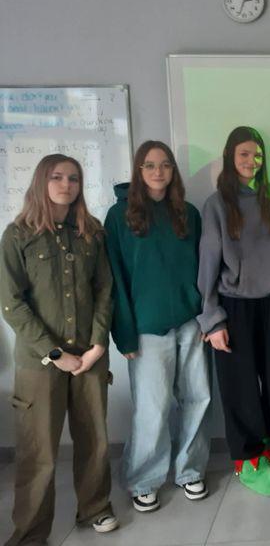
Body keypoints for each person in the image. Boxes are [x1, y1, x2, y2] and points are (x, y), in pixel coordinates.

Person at [1, 154, 119, 545]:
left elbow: (104, 289)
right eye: (57, 177)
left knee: (94, 440)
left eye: (73, 178)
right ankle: (31, 532)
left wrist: (98, 344)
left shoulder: (91, 232)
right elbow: (11, 304)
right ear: (41, 181)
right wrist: (54, 354)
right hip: (40, 364)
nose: (66, 184)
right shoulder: (17, 235)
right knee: (39, 452)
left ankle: (95, 508)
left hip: (89, 358)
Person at [197, 126, 270, 496]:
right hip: (235, 307)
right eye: (244, 154)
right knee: (240, 386)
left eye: (258, 154)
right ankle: (247, 458)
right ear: (231, 156)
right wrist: (212, 319)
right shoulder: (217, 205)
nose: (252, 161)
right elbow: (208, 264)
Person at [104, 141, 211, 513]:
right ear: (138, 170)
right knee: (153, 407)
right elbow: (115, 279)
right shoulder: (119, 217)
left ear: (173, 170)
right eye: (149, 165)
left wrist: (206, 316)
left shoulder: (188, 213)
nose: (158, 172)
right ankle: (144, 479)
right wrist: (124, 335)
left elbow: (204, 270)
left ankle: (190, 470)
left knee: (198, 398)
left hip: (190, 322)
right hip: (146, 329)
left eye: (165, 165)